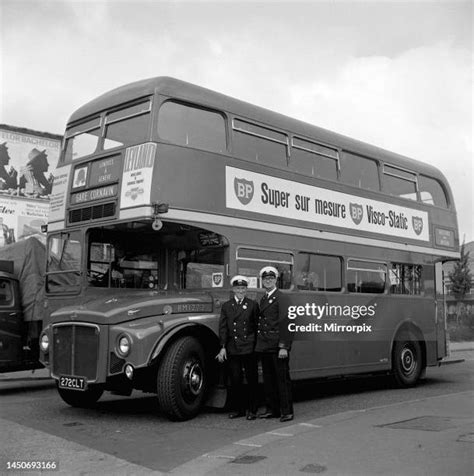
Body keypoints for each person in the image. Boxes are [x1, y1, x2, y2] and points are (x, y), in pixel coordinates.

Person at [216, 275, 259, 420]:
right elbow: (223, 328)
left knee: (252, 379)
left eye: (243, 288)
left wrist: (256, 346)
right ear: (233, 289)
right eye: (238, 288)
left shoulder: (253, 305)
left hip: (249, 347)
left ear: (246, 289)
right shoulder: (227, 306)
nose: (240, 291)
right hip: (233, 347)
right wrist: (222, 347)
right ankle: (238, 409)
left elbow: (256, 327)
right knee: (235, 379)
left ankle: (252, 409)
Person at [256, 266, 294, 422]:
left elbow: (288, 323)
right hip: (265, 345)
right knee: (269, 380)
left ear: (276, 280)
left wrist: (284, 346)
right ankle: (273, 409)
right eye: (265, 279)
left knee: (282, 380)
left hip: (278, 346)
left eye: (270, 279)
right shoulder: (264, 298)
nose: (268, 281)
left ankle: (287, 411)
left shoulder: (282, 297)